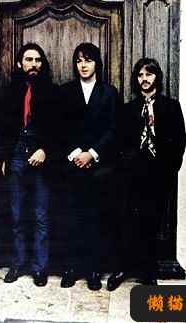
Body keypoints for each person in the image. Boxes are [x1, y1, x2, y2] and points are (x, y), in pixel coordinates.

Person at [107, 58, 186, 291]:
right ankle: (122, 269)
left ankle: (148, 272)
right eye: (140, 75)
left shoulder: (171, 107)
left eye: (149, 74)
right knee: (126, 222)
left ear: (156, 78)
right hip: (131, 176)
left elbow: (180, 141)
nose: (144, 79)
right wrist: (125, 167)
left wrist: (169, 171)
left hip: (158, 175)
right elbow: (118, 142)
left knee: (152, 223)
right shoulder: (128, 109)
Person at [59, 43, 118, 291]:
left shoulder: (109, 92)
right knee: (71, 218)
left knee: (95, 218)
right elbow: (59, 128)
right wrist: (76, 154)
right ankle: (71, 269)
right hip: (72, 165)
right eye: (79, 61)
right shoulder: (65, 92)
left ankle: (93, 270)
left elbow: (114, 129)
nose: (83, 65)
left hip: (98, 168)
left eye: (88, 60)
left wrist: (92, 154)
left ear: (97, 64)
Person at [0, 43, 58, 287]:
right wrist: (4, 158)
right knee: (16, 215)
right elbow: (2, 128)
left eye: (37, 60)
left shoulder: (52, 92)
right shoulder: (10, 92)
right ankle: (17, 264)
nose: (33, 64)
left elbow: (60, 129)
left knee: (40, 216)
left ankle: (40, 268)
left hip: (41, 156)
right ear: (19, 63)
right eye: (28, 59)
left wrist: (45, 150)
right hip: (16, 156)